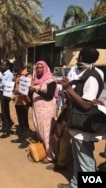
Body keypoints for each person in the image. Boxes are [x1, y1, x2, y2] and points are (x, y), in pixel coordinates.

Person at [58, 46, 105, 188]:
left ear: (81, 58)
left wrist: (68, 89)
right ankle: (75, 183)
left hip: (83, 123)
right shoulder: (89, 73)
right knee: (78, 156)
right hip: (78, 122)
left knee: (85, 159)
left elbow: (86, 105)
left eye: (79, 57)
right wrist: (68, 93)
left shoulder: (92, 77)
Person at [29, 60, 58, 163]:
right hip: (38, 111)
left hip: (47, 112)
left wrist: (36, 91)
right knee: (40, 131)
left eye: (41, 67)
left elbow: (49, 95)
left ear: (45, 68)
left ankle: (51, 155)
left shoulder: (50, 80)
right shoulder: (37, 80)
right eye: (37, 68)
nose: (39, 69)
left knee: (47, 132)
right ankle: (45, 151)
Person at [11, 65, 33, 149]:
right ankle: (21, 137)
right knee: (20, 120)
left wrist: (19, 91)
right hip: (17, 101)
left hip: (24, 102)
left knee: (24, 121)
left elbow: (29, 90)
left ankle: (26, 139)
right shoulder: (18, 75)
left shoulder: (28, 76)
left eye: (17, 65)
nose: (15, 68)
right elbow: (16, 86)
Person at [0, 60, 14, 138]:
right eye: (2, 65)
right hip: (1, 92)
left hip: (6, 94)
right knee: (3, 111)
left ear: (8, 66)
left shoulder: (9, 74)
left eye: (4, 65)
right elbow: (0, 85)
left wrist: (0, 79)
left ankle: (7, 131)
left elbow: (7, 84)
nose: (2, 66)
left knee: (6, 112)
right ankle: (4, 127)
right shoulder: (3, 74)